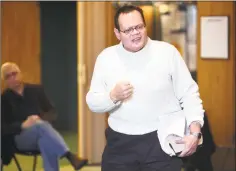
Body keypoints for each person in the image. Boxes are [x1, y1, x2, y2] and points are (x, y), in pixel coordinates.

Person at [86, 5, 205, 171]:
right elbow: (92, 102)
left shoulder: (167, 52)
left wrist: (194, 133)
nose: (135, 33)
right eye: (128, 30)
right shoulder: (106, 58)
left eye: (139, 27)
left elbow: (189, 94)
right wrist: (113, 96)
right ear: (117, 33)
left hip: (161, 140)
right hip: (120, 144)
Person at [1, 62, 88, 171]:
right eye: (8, 76)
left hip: (42, 132)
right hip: (19, 138)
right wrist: (22, 125)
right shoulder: (4, 99)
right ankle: (69, 156)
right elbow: (3, 127)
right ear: (4, 80)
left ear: (20, 73)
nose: (13, 77)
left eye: (14, 73)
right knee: (41, 128)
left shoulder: (36, 90)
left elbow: (52, 112)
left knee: (45, 139)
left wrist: (40, 119)